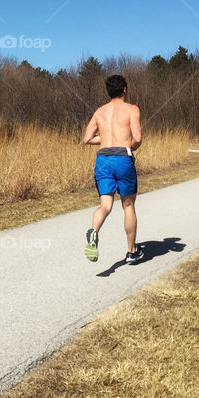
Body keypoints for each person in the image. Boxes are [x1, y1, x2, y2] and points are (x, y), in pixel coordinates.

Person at [81, 74, 145, 264]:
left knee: (105, 206)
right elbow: (138, 138)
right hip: (122, 157)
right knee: (128, 205)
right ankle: (132, 252)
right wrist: (125, 144)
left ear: (109, 92)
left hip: (103, 159)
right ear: (124, 90)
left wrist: (108, 139)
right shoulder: (132, 109)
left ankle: (93, 232)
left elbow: (87, 139)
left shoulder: (100, 112)